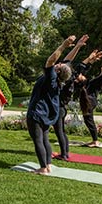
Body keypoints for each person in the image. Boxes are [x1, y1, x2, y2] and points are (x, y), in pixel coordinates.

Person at [26, 35, 75, 174]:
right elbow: (68, 60)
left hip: (37, 113)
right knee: (45, 139)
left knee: (38, 141)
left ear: (58, 70)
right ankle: (48, 165)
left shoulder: (52, 77)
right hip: (46, 115)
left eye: (59, 65)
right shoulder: (57, 81)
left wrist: (64, 45)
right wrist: (76, 47)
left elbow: (51, 60)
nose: (58, 63)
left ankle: (42, 168)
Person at [52, 34, 91, 161]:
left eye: (82, 77)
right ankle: (65, 152)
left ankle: (63, 154)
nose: (81, 75)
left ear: (80, 82)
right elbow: (68, 61)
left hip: (59, 109)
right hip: (61, 109)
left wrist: (77, 47)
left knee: (59, 132)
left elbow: (66, 61)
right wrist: (78, 46)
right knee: (61, 131)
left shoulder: (68, 81)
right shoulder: (71, 81)